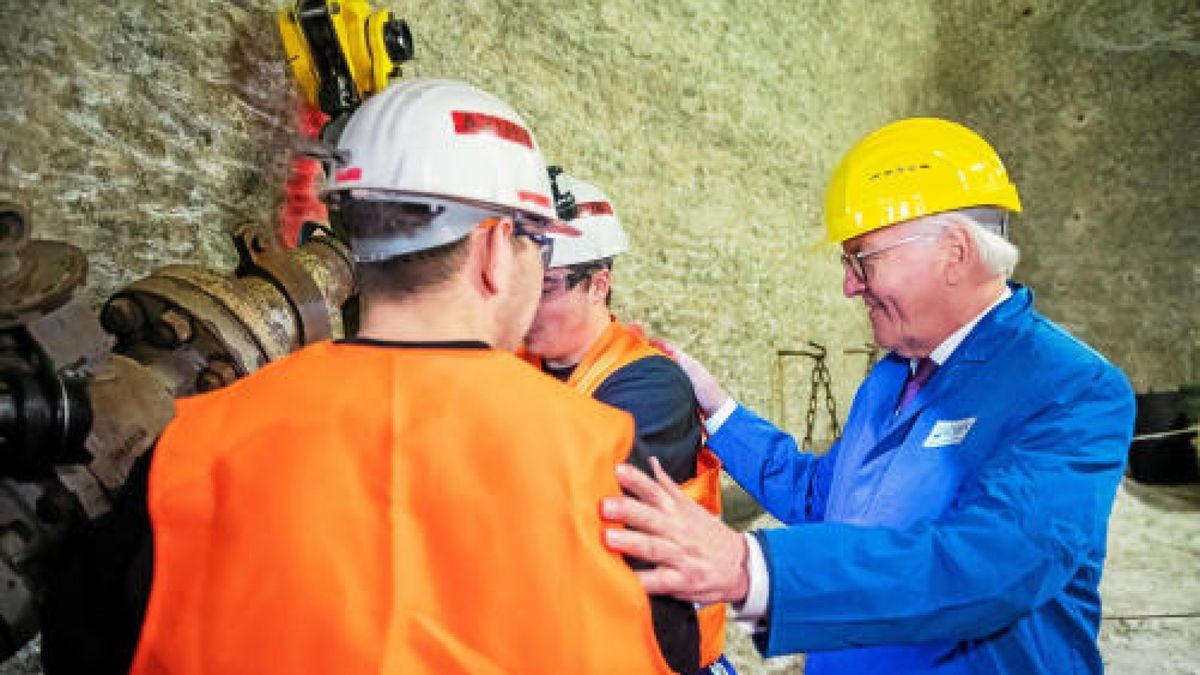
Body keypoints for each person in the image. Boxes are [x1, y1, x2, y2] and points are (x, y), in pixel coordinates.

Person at [80, 78, 674, 674]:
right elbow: (666, 646)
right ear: (494, 248)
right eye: (535, 243)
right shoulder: (607, 457)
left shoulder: (192, 445)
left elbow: (88, 641)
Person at [600, 117, 1136, 674]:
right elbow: (826, 500)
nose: (850, 285)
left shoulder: (1071, 388)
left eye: (863, 258)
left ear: (954, 251)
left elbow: (993, 565)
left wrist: (750, 568)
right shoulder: (893, 375)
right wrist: (719, 410)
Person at [521, 169, 729, 673]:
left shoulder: (652, 386)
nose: (527, 305)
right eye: (519, 283)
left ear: (599, 286)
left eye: (546, 287)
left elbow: (575, 498)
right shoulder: (523, 364)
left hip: (655, 652)